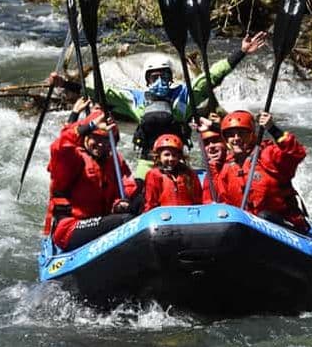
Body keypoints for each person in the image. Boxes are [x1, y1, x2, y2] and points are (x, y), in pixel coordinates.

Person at [49, 32, 268, 178]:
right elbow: (99, 93)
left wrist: (241, 52)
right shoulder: (134, 98)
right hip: (147, 162)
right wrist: (65, 84)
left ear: (171, 77)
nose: (160, 81)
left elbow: (212, 76)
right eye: (154, 77)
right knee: (139, 194)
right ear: (147, 80)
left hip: (178, 160)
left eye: (164, 76)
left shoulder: (185, 94)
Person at [44, 106, 139, 251]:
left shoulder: (115, 161)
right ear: (86, 137)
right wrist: (90, 125)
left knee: (138, 202)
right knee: (127, 221)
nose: (101, 144)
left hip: (102, 221)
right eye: (96, 138)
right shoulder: (73, 158)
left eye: (106, 139)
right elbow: (59, 147)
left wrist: (120, 204)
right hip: (70, 227)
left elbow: (126, 189)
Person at [216, 110, 309, 233]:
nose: (236, 138)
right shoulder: (226, 169)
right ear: (225, 139)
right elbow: (225, 204)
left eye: (242, 133)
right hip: (249, 228)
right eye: (231, 135)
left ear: (251, 135)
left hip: (284, 224)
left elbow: (296, 153)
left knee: (264, 216)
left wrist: (272, 129)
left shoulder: (267, 154)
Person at [143, 134, 202, 211]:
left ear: (179, 157)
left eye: (174, 155)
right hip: (164, 215)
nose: (171, 159)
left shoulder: (189, 174)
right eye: (166, 155)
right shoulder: (154, 175)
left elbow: (198, 199)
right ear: (159, 156)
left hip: (187, 214)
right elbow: (150, 203)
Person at [195, 113, 226, 203]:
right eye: (206, 143)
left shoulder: (237, 164)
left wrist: (213, 126)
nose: (211, 146)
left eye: (215, 141)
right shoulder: (209, 171)